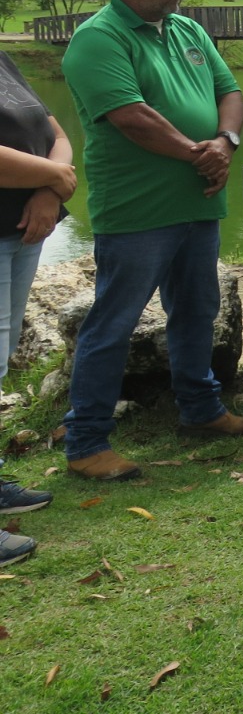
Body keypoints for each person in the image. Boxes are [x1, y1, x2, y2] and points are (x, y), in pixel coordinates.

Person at [60, 0, 243, 483]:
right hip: (137, 210)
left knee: (197, 309)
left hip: (199, 201)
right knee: (114, 321)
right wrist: (200, 155)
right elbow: (131, 117)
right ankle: (85, 441)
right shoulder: (97, 39)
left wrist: (224, 141)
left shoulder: (188, 29)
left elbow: (231, 93)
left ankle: (201, 410)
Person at [0, 52, 76, 560]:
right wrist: (53, 177)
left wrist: (50, 186)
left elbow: (57, 132)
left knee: (0, 358)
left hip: (22, 229)